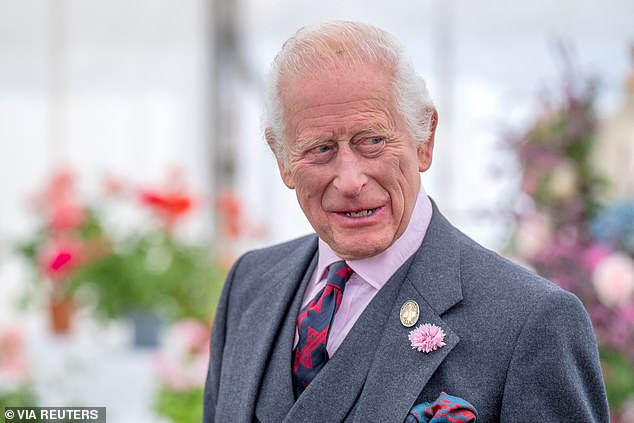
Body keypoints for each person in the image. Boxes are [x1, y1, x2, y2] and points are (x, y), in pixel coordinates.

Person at [203, 21, 609, 422]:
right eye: (321, 148)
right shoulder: (250, 284)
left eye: (373, 141)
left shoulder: (530, 322)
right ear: (282, 160)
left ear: (424, 141)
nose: (350, 181)